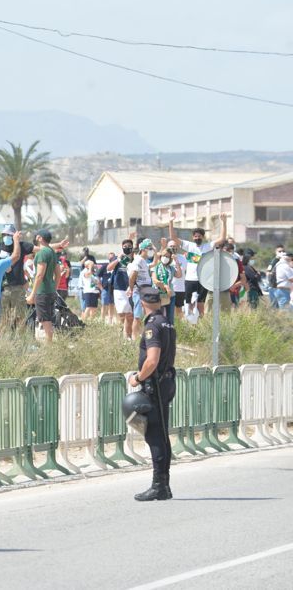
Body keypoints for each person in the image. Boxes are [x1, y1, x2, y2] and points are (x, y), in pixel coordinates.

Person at [128, 285, 177, 502]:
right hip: (165, 382)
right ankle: (163, 485)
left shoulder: (152, 326)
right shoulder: (167, 322)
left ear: (143, 303)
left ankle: (159, 486)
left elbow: (152, 359)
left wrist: (138, 377)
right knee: (162, 435)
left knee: (155, 435)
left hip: (154, 385)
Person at [168, 211, 226, 316]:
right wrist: (171, 222)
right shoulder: (189, 246)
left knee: (200, 306)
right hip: (190, 280)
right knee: (188, 305)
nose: (197, 238)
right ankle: (189, 326)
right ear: (193, 237)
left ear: (203, 237)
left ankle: (200, 326)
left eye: (199, 236)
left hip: (202, 281)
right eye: (195, 236)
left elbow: (222, 239)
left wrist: (224, 222)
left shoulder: (207, 246)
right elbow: (173, 238)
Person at [27, 228, 59, 343]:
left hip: (42, 291)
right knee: (48, 319)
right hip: (50, 290)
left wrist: (32, 294)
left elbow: (39, 275)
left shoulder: (42, 253)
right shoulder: (51, 252)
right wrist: (54, 288)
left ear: (40, 238)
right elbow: (58, 273)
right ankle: (49, 343)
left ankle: (49, 346)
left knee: (45, 320)